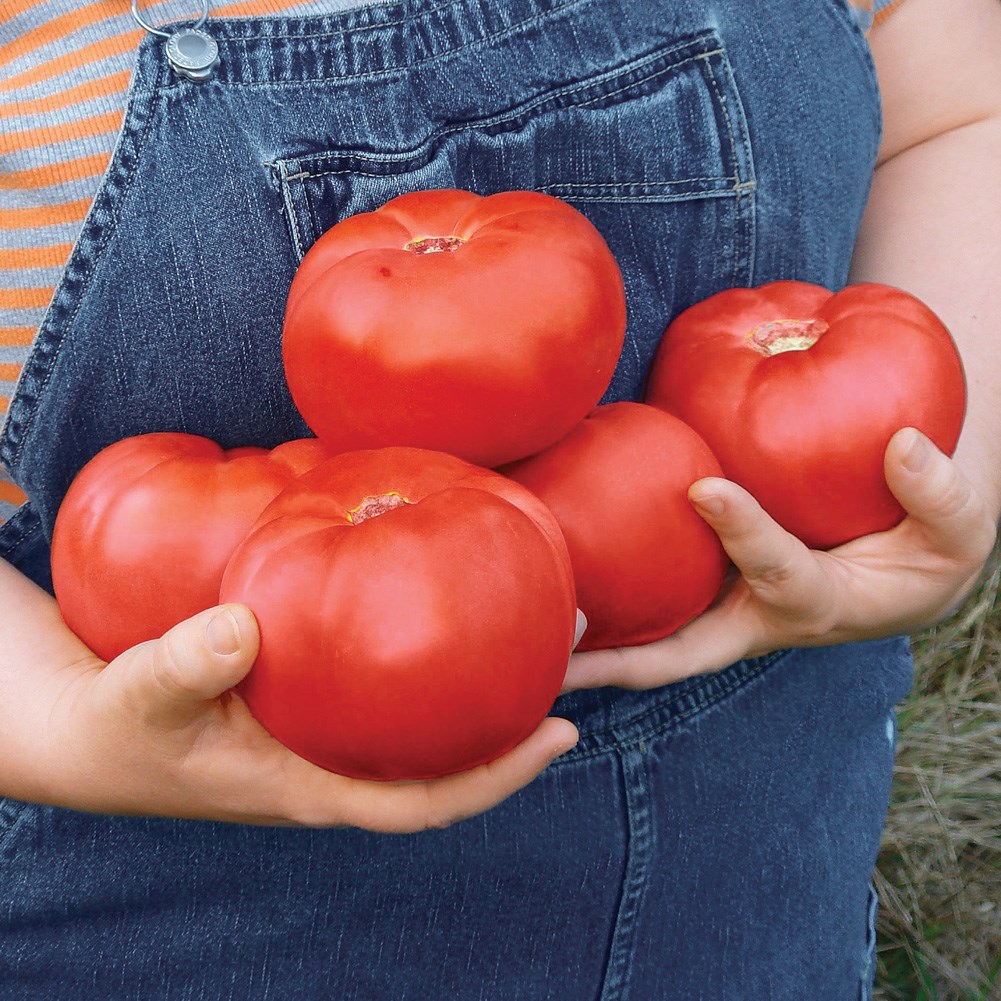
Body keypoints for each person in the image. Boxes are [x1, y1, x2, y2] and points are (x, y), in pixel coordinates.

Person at [1, 0, 998, 997]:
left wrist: (946, 477)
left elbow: (957, 113)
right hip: (178, 894)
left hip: (759, 818)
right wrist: (55, 717)